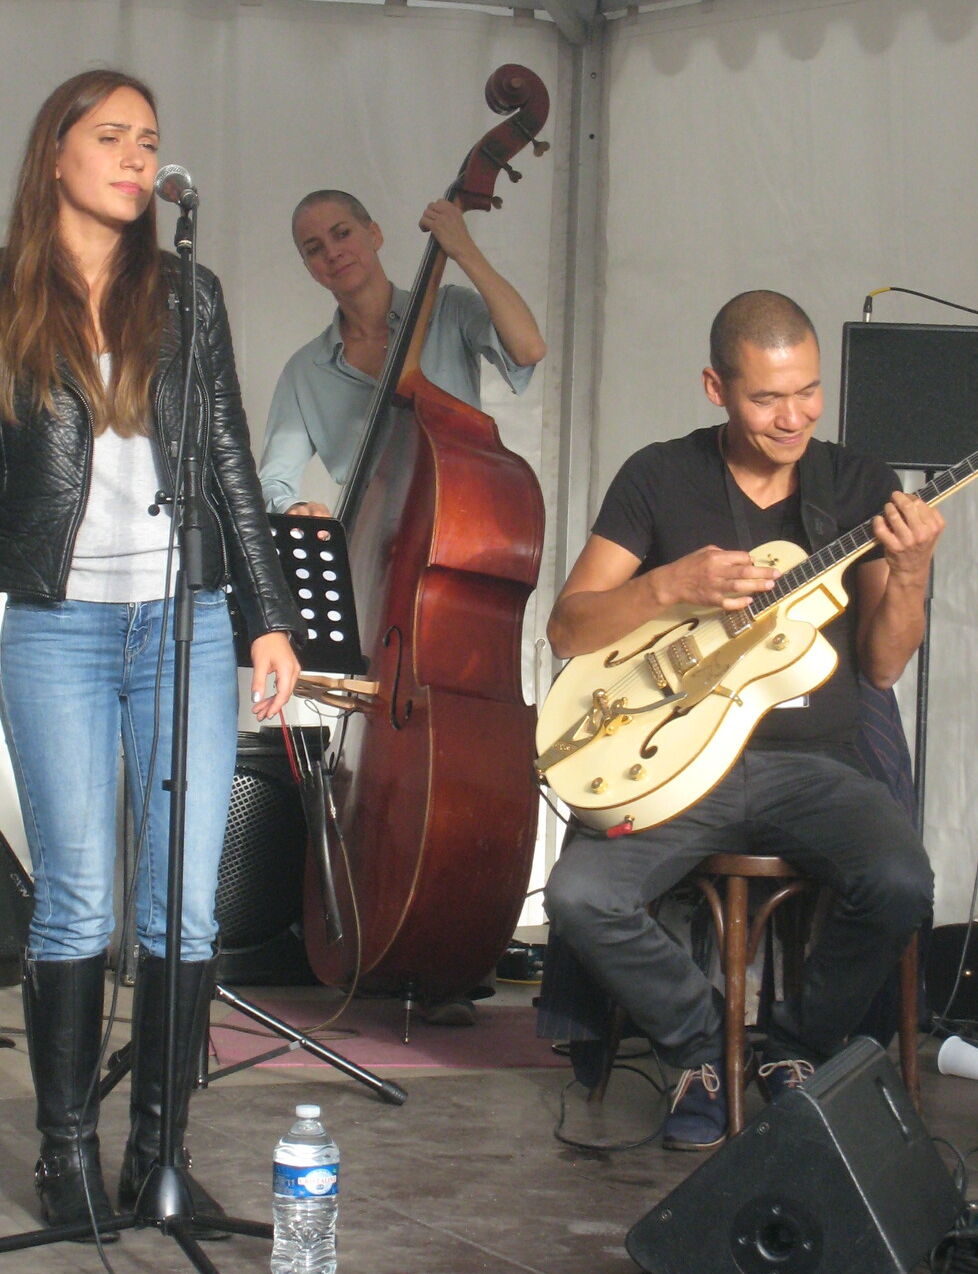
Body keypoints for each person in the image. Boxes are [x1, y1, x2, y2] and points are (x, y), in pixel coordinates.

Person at [0, 69, 301, 1235]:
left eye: (149, 140)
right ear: (57, 154)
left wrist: (266, 614)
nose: (137, 159)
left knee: (182, 908)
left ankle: (160, 1160)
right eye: (111, 138)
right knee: (77, 897)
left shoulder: (188, 293)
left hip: (183, 621)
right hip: (58, 626)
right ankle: (66, 1156)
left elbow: (228, 455)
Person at [543, 290, 940, 1149]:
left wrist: (910, 573)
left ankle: (794, 1046)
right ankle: (700, 1048)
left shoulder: (859, 483)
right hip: (680, 765)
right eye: (766, 398)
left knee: (901, 882)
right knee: (578, 895)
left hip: (819, 765)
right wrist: (668, 584)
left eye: (808, 391)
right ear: (715, 388)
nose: (793, 417)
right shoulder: (659, 475)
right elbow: (567, 627)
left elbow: (881, 665)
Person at [257, 189, 546, 516]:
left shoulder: (449, 310)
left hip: (461, 519)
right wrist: (294, 507)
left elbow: (528, 349)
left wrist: (464, 249)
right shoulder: (305, 370)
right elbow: (273, 482)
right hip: (368, 537)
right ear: (310, 268)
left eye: (342, 234)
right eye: (314, 249)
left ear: (374, 235)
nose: (332, 253)